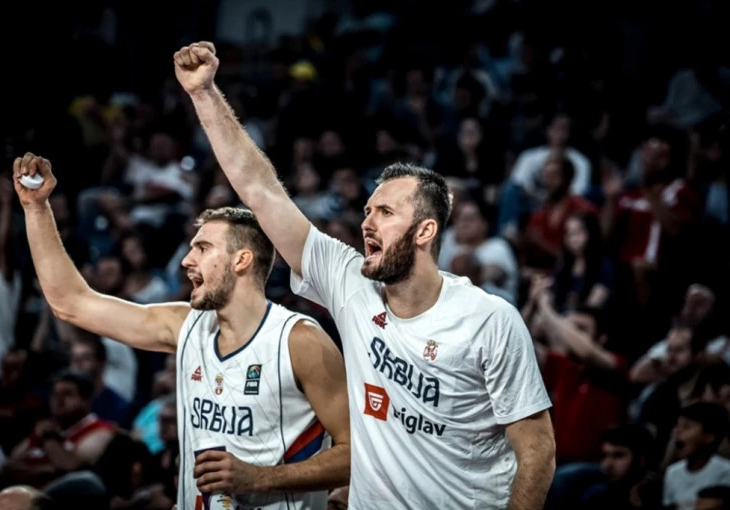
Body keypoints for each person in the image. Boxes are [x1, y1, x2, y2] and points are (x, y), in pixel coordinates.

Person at [175, 40, 555, 509]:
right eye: (367, 211)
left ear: (425, 231)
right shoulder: (350, 283)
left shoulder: (489, 320)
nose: (367, 223)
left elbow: (537, 450)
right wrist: (204, 94)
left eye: (385, 213)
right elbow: (260, 190)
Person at [12, 153, 350, 509]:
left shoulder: (299, 340)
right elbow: (70, 303)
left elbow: (355, 452)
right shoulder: (184, 325)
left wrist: (259, 478)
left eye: (203, 248)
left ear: (241, 260)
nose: (188, 260)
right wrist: (36, 208)